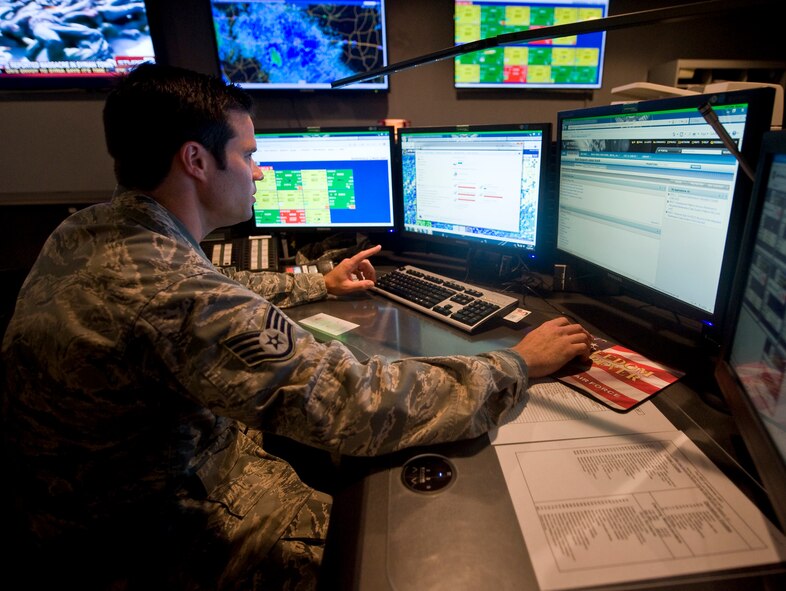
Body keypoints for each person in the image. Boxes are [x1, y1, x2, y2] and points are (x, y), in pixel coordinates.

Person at [1, 62, 592, 590]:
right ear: (196, 160)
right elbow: (353, 405)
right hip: (146, 534)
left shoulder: (90, 230)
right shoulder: (174, 292)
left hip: (72, 506)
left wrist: (317, 284)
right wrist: (517, 364)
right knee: (386, 551)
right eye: (249, 155)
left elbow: (215, 290)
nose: (258, 172)